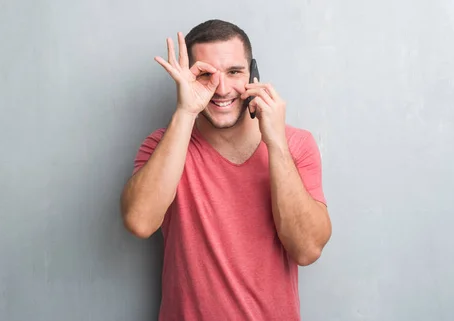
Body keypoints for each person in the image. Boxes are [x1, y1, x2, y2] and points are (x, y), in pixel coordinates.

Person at [120, 19, 332, 321]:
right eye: (206, 74)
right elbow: (139, 222)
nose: (221, 89)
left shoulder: (296, 145)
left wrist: (276, 144)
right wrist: (186, 111)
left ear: (253, 74)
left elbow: (307, 249)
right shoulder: (162, 145)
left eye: (234, 72)